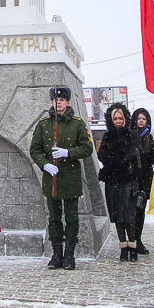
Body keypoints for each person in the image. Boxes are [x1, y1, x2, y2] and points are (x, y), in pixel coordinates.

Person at [30, 86, 94, 270]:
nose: (58, 103)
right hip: (52, 179)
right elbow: (35, 149)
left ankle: (70, 255)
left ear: (67, 102)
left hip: (70, 178)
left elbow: (87, 148)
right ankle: (56, 254)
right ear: (52, 102)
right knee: (54, 219)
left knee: (72, 218)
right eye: (55, 100)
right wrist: (44, 164)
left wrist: (68, 152)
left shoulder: (77, 124)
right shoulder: (44, 124)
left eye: (62, 100)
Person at [97, 103, 144, 261]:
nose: (118, 121)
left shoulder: (132, 134)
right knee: (117, 216)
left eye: (120, 118)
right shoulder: (107, 136)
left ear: (125, 118)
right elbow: (101, 155)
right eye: (115, 118)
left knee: (129, 216)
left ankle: (133, 246)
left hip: (128, 180)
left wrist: (124, 159)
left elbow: (137, 154)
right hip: (112, 179)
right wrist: (112, 160)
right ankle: (123, 247)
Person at [133, 107, 154, 255]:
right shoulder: (131, 135)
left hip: (145, 177)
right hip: (132, 177)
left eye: (144, 119)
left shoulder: (150, 137)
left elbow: (152, 159)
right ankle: (132, 239)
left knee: (140, 209)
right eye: (139, 118)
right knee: (132, 209)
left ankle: (138, 239)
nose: (141, 121)